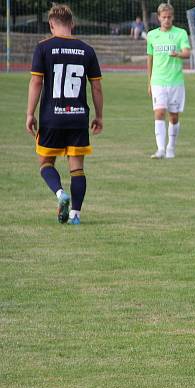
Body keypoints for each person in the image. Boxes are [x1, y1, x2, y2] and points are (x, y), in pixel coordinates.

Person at [26, 3, 103, 225]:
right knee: (77, 168)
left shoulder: (43, 48)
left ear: (51, 25)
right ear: (73, 24)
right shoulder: (87, 50)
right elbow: (96, 87)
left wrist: (30, 113)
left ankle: (61, 194)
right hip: (78, 117)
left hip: (52, 117)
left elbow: (36, 81)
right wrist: (99, 116)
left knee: (45, 163)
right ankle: (76, 215)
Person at [146, 3, 190, 160]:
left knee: (173, 116)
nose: (167, 20)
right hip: (158, 81)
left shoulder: (180, 34)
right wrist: (149, 81)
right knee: (159, 112)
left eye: (169, 17)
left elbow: (187, 53)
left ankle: (171, 146)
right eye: (164, 17)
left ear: (173, 17)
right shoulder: (152, 35)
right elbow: (149, 59)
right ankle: (160, 149)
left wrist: (178, 54)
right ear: (158, 18)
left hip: (175, 81)